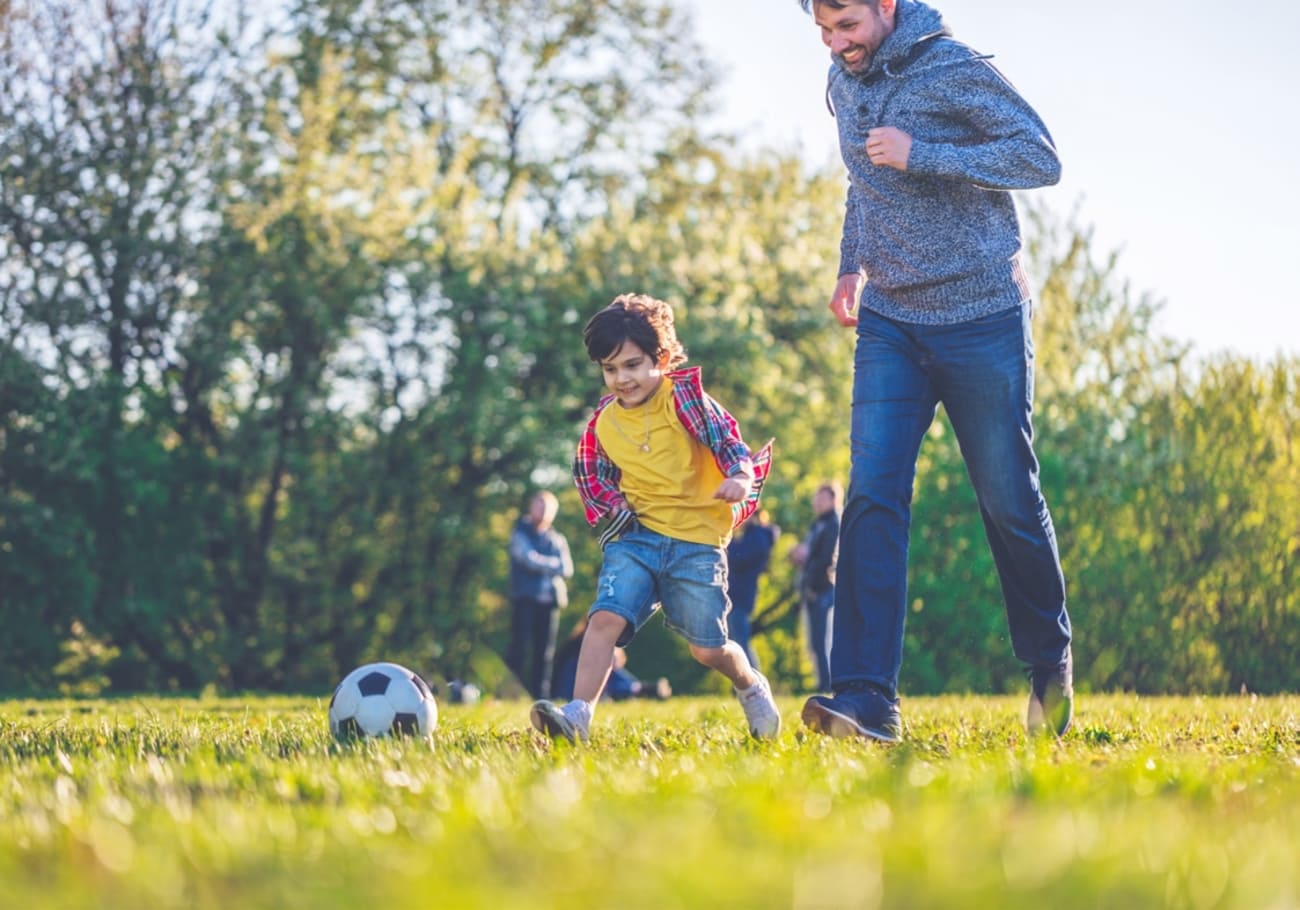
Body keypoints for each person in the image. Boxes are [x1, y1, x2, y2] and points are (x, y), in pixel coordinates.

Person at [794, 0, 1074, 742]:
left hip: (980, 312)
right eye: (823, 30)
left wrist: (925, 152)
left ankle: (1050, 669)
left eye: (847, 25)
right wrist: (852, 264)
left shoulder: (952, 67)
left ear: (886, 6)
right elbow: (865, 181)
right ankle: (864, 698)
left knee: (1009, 497)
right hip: (890, 318)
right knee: (872, 497)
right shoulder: (845, 79)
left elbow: (1039, 158)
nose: (836, 43)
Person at [528, 292, 779, 743]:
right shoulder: (604, 423)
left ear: (660, 358)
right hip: (638, 539)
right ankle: (578, 715)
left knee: (707, 648)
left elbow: (726, 439)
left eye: (632, 365)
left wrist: (740, 476)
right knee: (605, 618)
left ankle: (751, 686)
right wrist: (613, 504)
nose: (621, 379)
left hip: (696, 542)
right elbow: (589, 471)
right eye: (610, 369)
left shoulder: (682, 400)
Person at [505, 490, 574, 699]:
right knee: (520, 647)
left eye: (548, 507)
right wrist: (552, 563)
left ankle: (541, 696)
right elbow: (527, 558)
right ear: (531, 507)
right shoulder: (519, 533)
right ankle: (511, 693)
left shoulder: (557, 538)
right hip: (525, 599)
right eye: (539, 505)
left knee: (545, 653)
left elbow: (567, 568)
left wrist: (542, 562)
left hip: (550, 602)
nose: (543, 511)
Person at [789, 482, 841, 692]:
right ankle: (822, 682)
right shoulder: (817, 524)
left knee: (823, 641)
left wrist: (813, 585)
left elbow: (827, 559)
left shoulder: (833, 524)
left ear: (833, 500)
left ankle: (827, 685)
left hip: (823, 589)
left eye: (822, 499)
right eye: (816, 498)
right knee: (814, 642)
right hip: (812, 589)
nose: (817, 503)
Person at [551, 617, 672, 703]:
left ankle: (637, 688)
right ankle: (638, 688)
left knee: (608, 671)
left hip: (568, 689)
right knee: (607, 669)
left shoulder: (577, 642)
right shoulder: (582, 646)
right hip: (569, 690)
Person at [724, 509, 780, 669]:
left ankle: (754, 682)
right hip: (739, 594)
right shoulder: (753, 536)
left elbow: (736, 557)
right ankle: (746, 683)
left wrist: (729, 542)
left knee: (741, 642)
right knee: (736, 640)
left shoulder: (758, 537)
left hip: (741, 595)